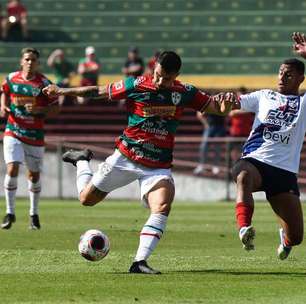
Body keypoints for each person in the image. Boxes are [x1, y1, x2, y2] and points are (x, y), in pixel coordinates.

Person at [43, 51, 236, 274]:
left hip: (158, 166)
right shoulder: (137, 84)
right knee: (86, 199)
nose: (159, 81)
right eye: (157, 74)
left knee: (162, 206)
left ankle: (139, 262)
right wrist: (62, 90)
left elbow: (215, 108)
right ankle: (82, 161)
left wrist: (225, 108)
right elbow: (98, 91)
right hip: (126, 157)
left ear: (177, 75)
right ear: (154, 68)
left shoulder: (185, 92)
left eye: (166, 78)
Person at [232, 32, 306, 260]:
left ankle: (285, 237)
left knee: (297, 237)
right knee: (243, 174)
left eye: (289, 74)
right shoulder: (264, 96)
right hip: (256, 160)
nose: (282, 77)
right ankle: (244, 228)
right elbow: (234, 102)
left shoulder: (303, 103)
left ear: (301, 79)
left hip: (283, 172)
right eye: (281, 72)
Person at [0, 47, 59, 230]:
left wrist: (40, 110)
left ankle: (33, 214)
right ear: (21, 61)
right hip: (13, 130)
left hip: (34, 135)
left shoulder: (44, 84)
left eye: (33, 60)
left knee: (33, 175)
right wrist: (3, 106)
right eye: (27, 59)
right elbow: (5, 92)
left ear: (38, 63)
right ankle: (10, 213)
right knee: (12, 168)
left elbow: (55, 108)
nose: (29, 62)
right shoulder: (11, 78)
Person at [228, 87, 254, 164]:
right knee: (234, 151)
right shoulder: (234, 103)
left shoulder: (249, 104)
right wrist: (246, 111)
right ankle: (233, 165)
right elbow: (231, 113)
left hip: (246, 132)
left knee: (245, 151)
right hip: (236, 133)